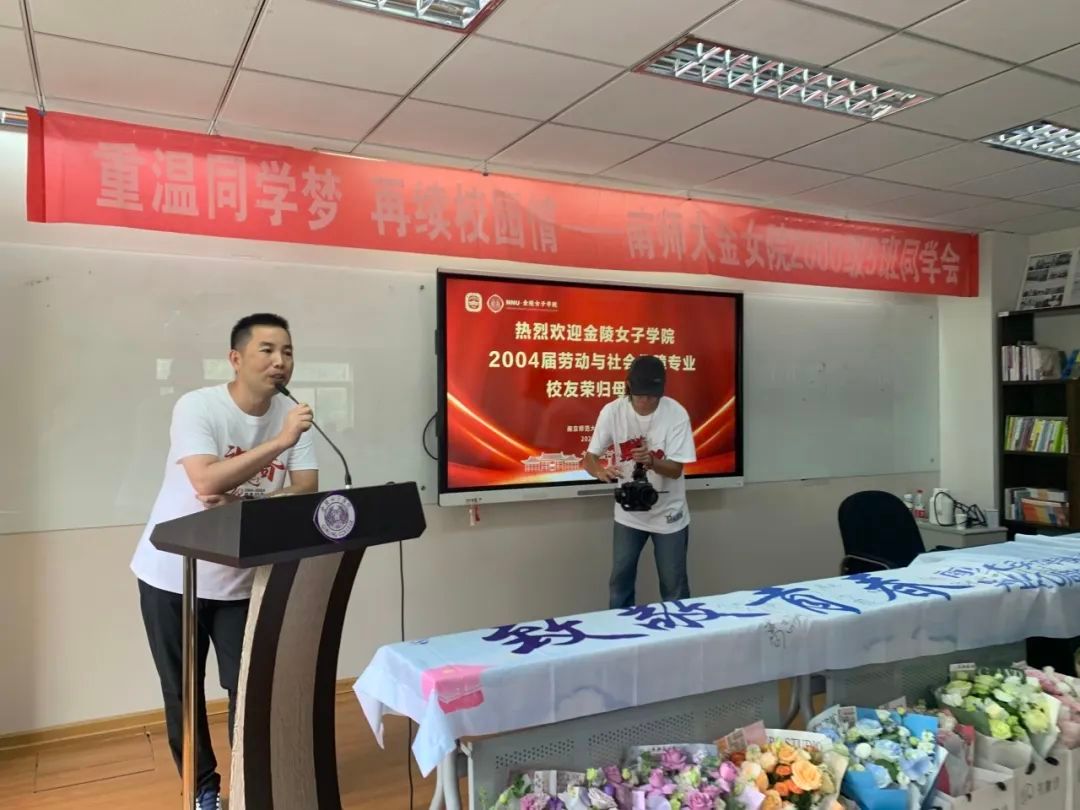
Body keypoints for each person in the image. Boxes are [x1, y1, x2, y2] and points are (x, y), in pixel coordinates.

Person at [129, 313, 319, 810]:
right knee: (183, 690)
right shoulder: (199, 406)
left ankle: (247, 782)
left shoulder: (295, 414)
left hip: (241, 579)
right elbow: (205, 481)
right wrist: (279, 444)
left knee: (247, 687)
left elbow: (305, 491)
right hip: (173, 574)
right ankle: (203, 789)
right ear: (236, 358)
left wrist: (242, 502)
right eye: (267, 350)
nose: (280, 362)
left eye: (288, 352)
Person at [583, 355, 697, 609]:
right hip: (628, 514)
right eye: (639, 395)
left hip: (669, 514)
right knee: (619, 581)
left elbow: (676, 469)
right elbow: (589, 458)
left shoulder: (676, 414)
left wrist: (652, 461)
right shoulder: (613, 411)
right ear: (629, 387)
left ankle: (679, 631)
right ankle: (621, 629)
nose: (645, 401)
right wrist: (599, 471)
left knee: (674, 585)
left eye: (652, 396)